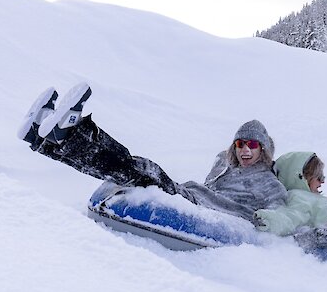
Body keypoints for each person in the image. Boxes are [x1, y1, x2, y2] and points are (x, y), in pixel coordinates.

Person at [18, 83, 287, 222]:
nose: (245, 150)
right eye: (240, 144)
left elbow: (283, 218)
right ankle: (48, 142)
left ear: (263, 149)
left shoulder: (268, 183)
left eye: (252, 145)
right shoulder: (223, 162)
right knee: (136, 169)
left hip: (207, 210)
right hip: (192, 195)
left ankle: (73, 134)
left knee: (147, 171)